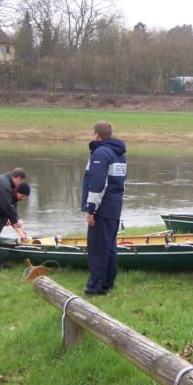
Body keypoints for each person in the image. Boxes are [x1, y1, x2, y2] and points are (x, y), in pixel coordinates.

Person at [81, 121, 126, 296]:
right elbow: (121, 183)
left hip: (103, 208)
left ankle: (95, 287)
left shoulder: (100, 153)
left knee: (97, 248)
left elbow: (98, 184)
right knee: (109, 246)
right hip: (114, 206)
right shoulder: (119, 153)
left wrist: (91, 209)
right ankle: (108, 282)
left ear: (97, 135)